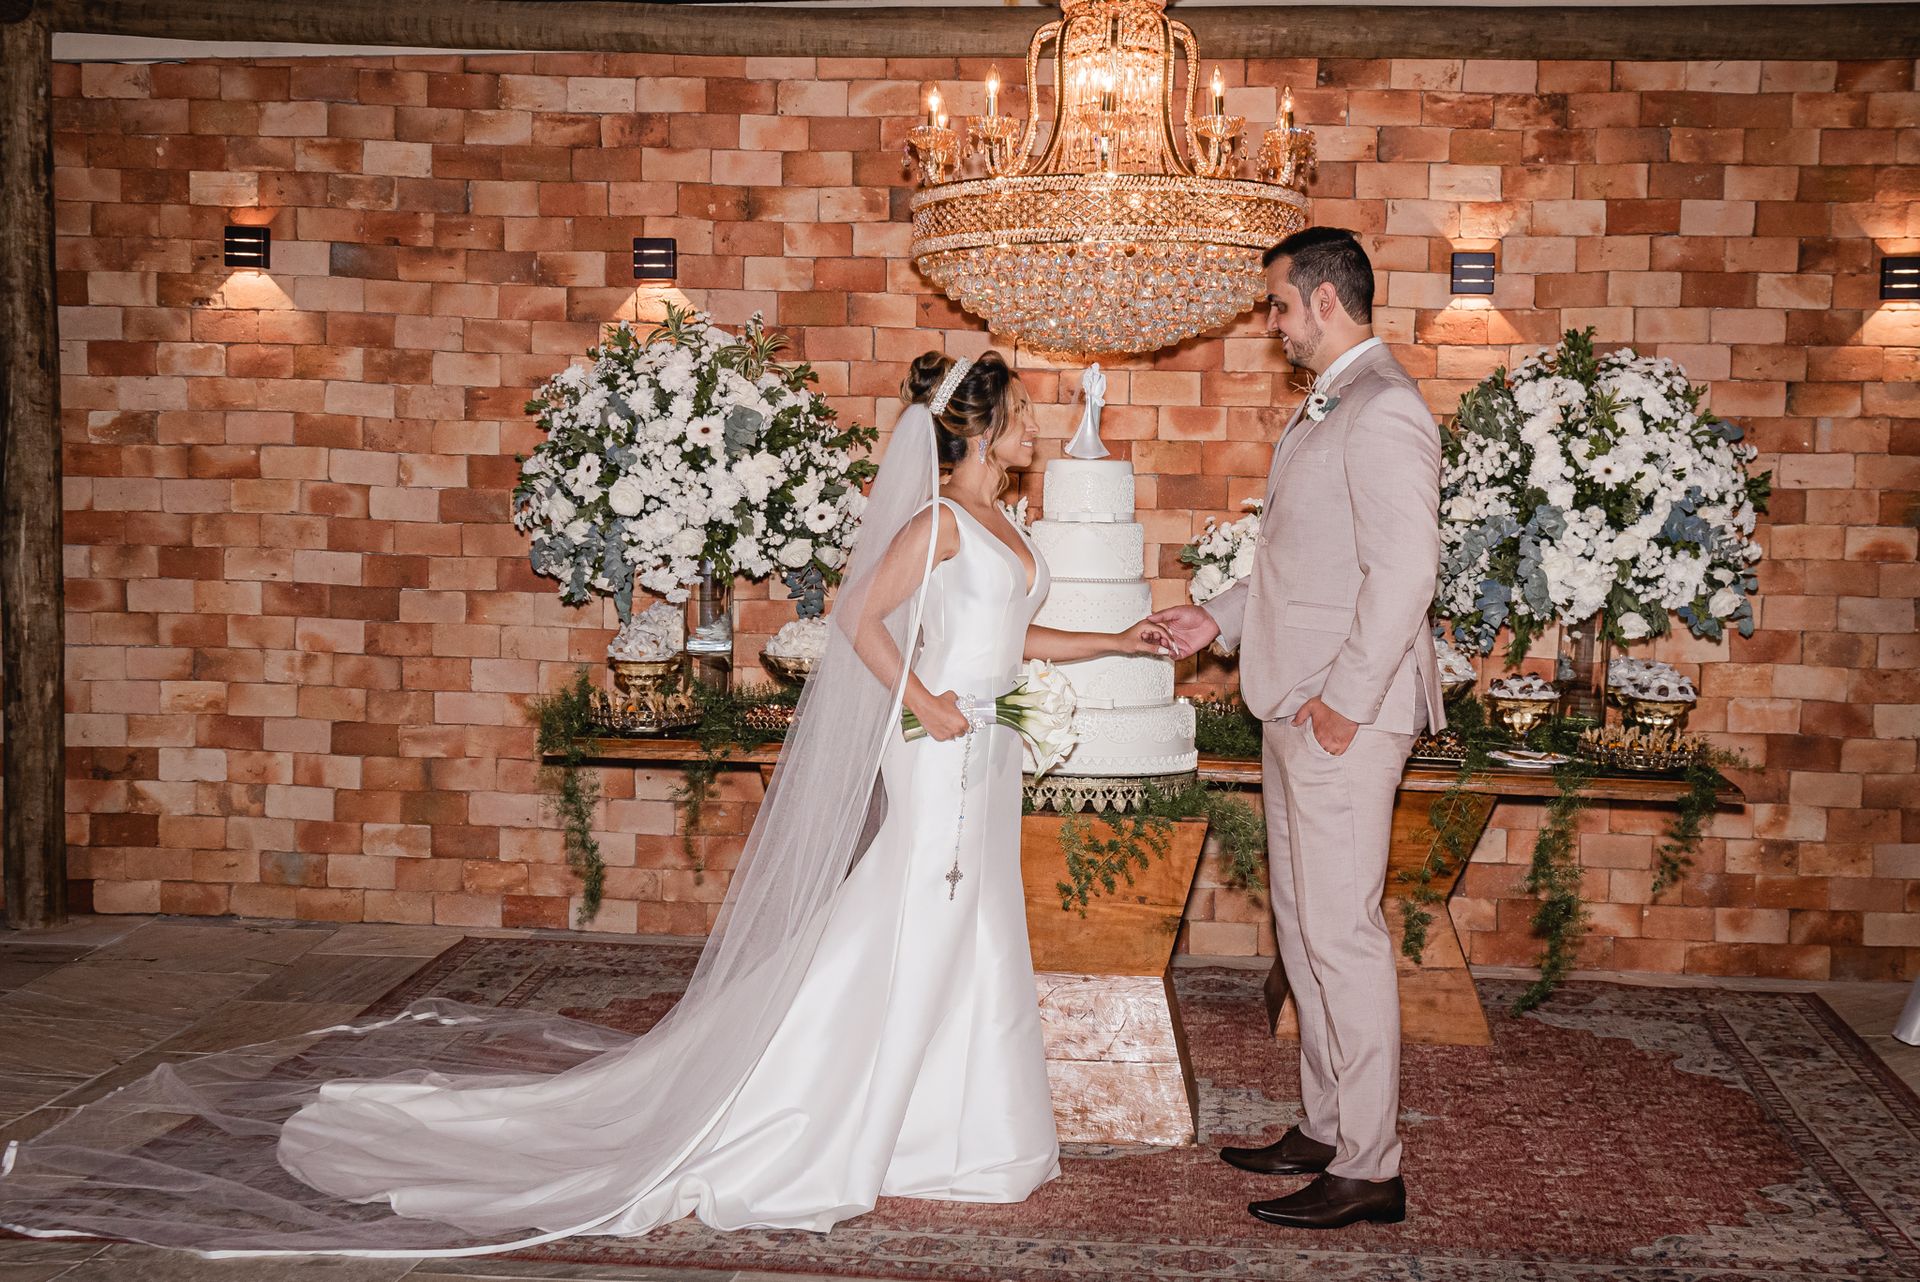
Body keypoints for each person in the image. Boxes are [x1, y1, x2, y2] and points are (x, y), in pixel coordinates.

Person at [0, 350, 1166, 1257]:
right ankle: (830, 1119)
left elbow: (1015, 637)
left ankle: (956, 1130)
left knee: (972, 933)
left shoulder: (1009, 525)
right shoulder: (939, 523)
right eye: (1024, 410)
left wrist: (1115, 635)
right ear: (985, 423)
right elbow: (864, 624)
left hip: (991, 746)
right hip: (941, 750)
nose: (1037, 424)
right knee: (915, 921)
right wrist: (930, 701)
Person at [1147, 227, 1445, 1230]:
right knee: (1306, 923)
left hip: (1341, 716)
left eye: (1278, 304)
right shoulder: (1337, 403)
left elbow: (1404, 576)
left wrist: (1345, 706)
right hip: (1299, 699)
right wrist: (1216, 620)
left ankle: (1370, 1164)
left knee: (1342, 934)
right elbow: (1304, 562)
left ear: (1323, 299)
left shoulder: (1387, 408)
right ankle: (1326, 1121)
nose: (1271, 324)